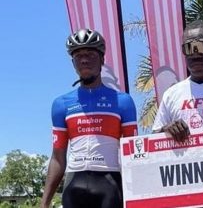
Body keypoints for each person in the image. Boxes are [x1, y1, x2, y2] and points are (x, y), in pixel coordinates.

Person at [41, 29, 138, 208]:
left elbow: (132, 154)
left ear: (102, 60)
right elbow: (57, 158)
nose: (84, 59)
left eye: (91, 54)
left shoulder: (123, 102)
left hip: (110, 184)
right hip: (73, 184)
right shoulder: (61, 104)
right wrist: (44, 203)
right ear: (73, 63)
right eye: (78, 55)